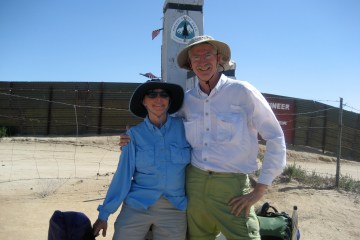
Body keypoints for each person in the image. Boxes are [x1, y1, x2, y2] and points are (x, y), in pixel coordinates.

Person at [121, 35, 286, 240]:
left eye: (207, 54)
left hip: (231, 188)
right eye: (195, 57)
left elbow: (275, 136)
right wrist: (133, 138)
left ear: (219, 59)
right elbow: (163, 127)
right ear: (190, 64)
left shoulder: (242, 91)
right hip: (194, 184)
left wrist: (260, 190)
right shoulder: (187, 101)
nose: (202, 61)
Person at [93, 79, 190, 240]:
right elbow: (123, 176)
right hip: (137, 205)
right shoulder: (134, 135)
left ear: (169, 101)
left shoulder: (186, 129)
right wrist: (104, 214)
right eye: (152, 95)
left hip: (174, 208)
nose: (158, 99)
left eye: (164, 95)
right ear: (144, 102)